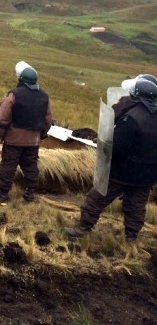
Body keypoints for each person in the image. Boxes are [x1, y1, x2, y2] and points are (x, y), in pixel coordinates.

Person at [66, 77, 157, 243]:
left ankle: (83, 228)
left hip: (123, 171)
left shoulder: (132, 118)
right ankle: (131, 238)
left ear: (137, 95)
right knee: (136, 206)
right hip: (147, 175)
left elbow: (118, 146)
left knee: (96, 198)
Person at [0, 62, 53, 202]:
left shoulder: (14, 95)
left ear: (21, 79)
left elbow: (4, 117)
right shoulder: (44, 96)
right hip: (33, 141)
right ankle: (30, 193)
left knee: (9, 165)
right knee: (30, 165)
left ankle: (3, 193)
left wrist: (0, 135)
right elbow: (48, 120)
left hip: (14, 139)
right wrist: (41, 134)